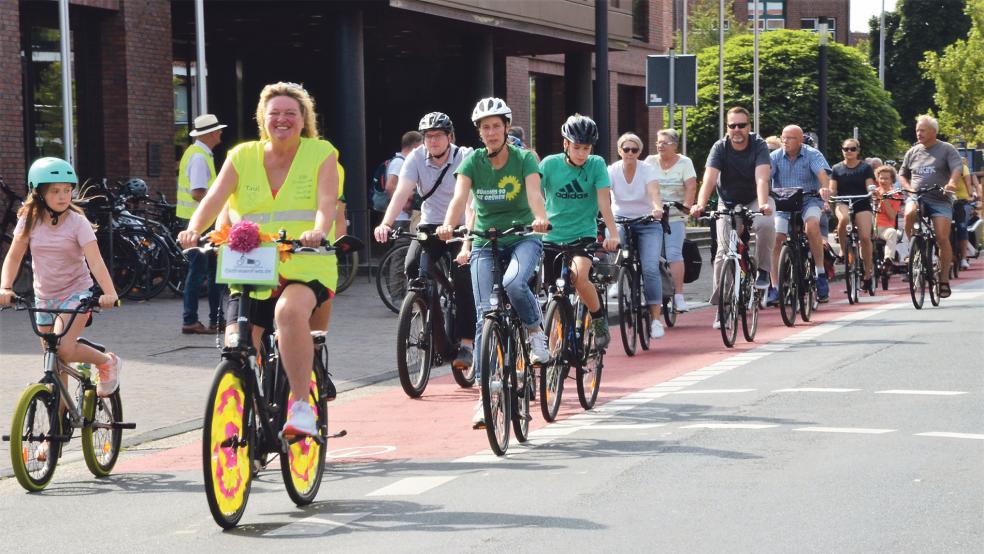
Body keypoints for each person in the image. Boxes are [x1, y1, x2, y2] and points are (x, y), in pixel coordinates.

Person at [178, 82, 339, 437]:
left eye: (290, 114)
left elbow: (327, 202)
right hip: (252, 264)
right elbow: (213, 200)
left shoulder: (321, 152)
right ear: (263, 119)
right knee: (238, 340)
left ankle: (300, 409)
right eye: (274, 114)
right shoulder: (242, 155)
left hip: (304, 260)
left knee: (288, 313)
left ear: (302, 119)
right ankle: (246, 412)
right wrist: (193, 229)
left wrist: (319, 229)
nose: (282, 120)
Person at [436, 97, 549, 429]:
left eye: (496, 126)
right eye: (485, 127)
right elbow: (459, 198)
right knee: (485, 314)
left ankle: (534, 331)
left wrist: (540, 218)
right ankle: (486, 400)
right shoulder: (472, 162)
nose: (491, 132)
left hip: (524, 236)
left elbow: (533, 195)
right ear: (479, 132)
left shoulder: (524, 159)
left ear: (505, 128)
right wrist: (448, 225)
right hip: (486, 240)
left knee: (515, 283)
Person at [0, 157, 122, 399]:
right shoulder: (28, 221)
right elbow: (13, 257)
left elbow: (95, 261)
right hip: (44, 297)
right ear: (39, 193)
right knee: (53, 362)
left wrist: (110, 293)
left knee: (64, 348)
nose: (63, 196)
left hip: (76, 293)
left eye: (67, 190)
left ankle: (106, 361)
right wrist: (5, 287)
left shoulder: (78, 223)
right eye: (55, 191)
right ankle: (57, 431)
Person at [373, 111, 476, 369]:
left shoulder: (464, 156)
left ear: (449, 137)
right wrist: (386, 223)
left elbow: (472, 200)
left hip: (460, 226)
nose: (432, 141)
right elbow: (401, 193)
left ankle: (466, 344)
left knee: (463, 276)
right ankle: (439, 339)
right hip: (429, 225)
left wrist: (468, 235)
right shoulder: (416, 158)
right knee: (413, 269)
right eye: (428, 137)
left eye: (438, 136)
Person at [691, 107, 774, 329]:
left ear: (749, 126)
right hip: (727, 201)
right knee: (722, 252)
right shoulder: (720, 147)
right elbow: (709, 179)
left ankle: (764, 271)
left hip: (756, 198)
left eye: (741, 125)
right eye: (732, 126)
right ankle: (722, 305)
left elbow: (761, 179)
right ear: (727, 128)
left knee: (766, 224)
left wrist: (764, 203)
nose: (737, 130)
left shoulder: (759, 145)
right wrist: (700, 204)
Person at [540, 114, 619, 348]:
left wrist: (613, 234)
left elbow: (605, 203)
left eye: (586, 148)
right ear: (565, 144)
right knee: (554, 291)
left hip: (582, 235)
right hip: (552, 236)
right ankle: (554, 347)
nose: (582, 153)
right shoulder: (549, 164)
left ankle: (598, 319)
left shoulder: (596, 164)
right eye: (577, 148)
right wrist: (537, 218)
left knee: (579, 276)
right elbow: (533, 194)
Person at [899, 114, 962, 298]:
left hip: (940, 199)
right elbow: (902, 174)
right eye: (917, 130)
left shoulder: (947, 149)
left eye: (923, 130)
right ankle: (914, 247)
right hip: (918, 197)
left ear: (934, 131)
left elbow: (957, 168)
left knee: (942, 237)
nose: (919, 133)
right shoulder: (912, 151)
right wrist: (908, 188)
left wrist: (951, 183)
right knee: (909, 212)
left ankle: (943, 279)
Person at [610, 132, 665, 336]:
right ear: (619, 151)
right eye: (626, 149)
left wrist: (657, 208)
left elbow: (654, 192)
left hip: (647, 222)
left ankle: (656, 320)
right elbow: (602, 193)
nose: (630, 153)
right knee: (613, 246)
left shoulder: (647, 170)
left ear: (639, 152)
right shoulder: (612, 171)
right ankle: (617, 281)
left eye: (634, 150)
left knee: (650, 268)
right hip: (620, 221)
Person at [177, 113, 227, 335]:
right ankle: (197, 320)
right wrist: (220, 204)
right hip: (199, 222)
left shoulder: (196, 153)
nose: (221, 133)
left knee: (203, 271)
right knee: (205, 272)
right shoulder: (199, 157)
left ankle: (212, 319)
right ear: (211, 133)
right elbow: (198, 192)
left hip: (194, 221)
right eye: (218, 130)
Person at [770, 124, 833, 303]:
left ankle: (820, 274)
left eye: (790, 138)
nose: (785, 141)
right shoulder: (775, 156)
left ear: (800, 140)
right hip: (783, 203)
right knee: (776, 237)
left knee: (812, 226)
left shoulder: (812, 154)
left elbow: (822, 175)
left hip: (808, 200)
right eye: (783, 137)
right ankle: (775, 286)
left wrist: (824, 189)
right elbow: (766, 176)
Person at [644, 128, 697, 315]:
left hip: (674, 214)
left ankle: (679, 297)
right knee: (650, 255)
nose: (660, 146)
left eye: (664, 143)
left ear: (674, 145)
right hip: (653, 214)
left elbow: (691, 186)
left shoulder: (684, 163)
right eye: (658, 142)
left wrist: (686, 206)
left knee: (674, 253)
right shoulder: (650, 162)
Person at [830, 137, 876, 294]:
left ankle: (868, 274)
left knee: (864, 237)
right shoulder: (836, 168)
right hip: (843, 202)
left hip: (862, 202)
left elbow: (870, 184)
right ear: (842, 150)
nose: (849, 152)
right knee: (843, 219)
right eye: (846, 149)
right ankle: (844, 250)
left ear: (858, 151)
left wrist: (872, 189)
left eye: (852, 149)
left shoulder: (865, 168)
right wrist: (827, 195)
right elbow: (832, 189)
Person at [386, 132, 423, 232]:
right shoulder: (399, 162)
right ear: (415, 146)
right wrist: (406, 202)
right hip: (401, 218)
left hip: (405, 217)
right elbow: (390, 187)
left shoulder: (406, 162)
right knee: (403, 245)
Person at [873, 165, 903, 265]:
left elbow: (892, 216)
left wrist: (883, 199)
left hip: (884, 228)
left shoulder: (896, 195)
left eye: (886, 178)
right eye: (881, 178)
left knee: (892, 233)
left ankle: (888, 259)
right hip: (871, 226)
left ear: (892, 180)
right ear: (877, 179)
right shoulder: (873, 192)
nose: (883, 181)